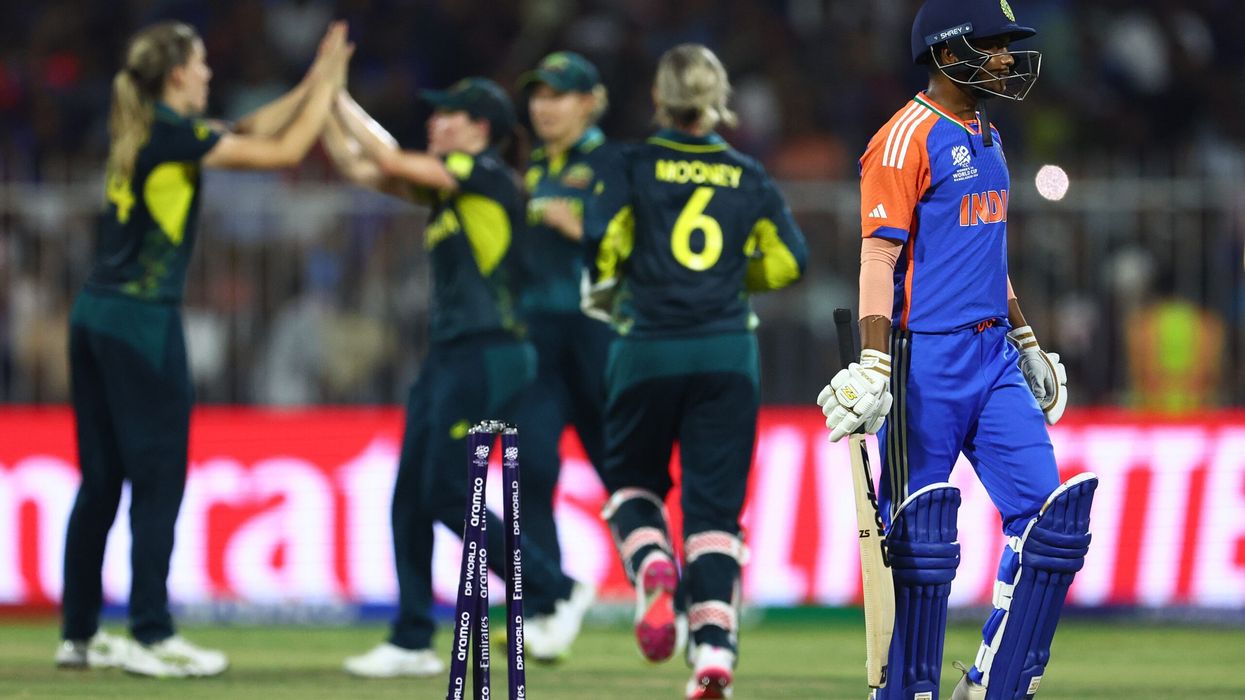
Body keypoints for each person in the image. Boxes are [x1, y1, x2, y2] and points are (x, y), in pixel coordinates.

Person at [815, 2, 1098, 698]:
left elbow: (985, 250)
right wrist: (874, 360)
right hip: (922, 363)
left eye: (1005, 46)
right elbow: (877, 258)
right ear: (946, 52)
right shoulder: (902, 137)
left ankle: (992, 682)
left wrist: (1026, 341)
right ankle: (906, 688)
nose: (1004, 59)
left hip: (993, 357)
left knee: (1048, 526)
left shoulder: (988, 133)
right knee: (920, 542)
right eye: (992, 45)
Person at [57, 20, 352, 678]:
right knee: (158, 480)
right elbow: (280, 155)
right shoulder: (167, 136)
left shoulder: (146, 131)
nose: (211, 73)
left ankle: (77, 634)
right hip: (141, 319)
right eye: (202, 64)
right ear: (177, 75)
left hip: (95, 313)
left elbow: (245, 132)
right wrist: (328, 87)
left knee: (101, 480)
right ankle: (151, 634)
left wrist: (307, 85)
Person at [320, 78, 593, 677]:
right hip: (449, 355)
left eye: (449, 114)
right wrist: (325, 107)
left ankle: (556, 588)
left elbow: (386, 157)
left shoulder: (488, 176)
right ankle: (411, 637)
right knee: (410, 497)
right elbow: (361, 167)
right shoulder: (451, 193)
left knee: (445, 491)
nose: (436, 122)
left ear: (481, 130)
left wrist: (337, 97)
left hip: (488, 353)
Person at [583, 44, 808, 700]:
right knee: (713, 515)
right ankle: (712, 653)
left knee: (631, 486)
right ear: (718, 97)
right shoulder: (747, 174)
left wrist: (629, 279)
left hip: (646, 346)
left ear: (659, 97)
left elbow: (603, 242)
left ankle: (653, 566)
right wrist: (734, 279)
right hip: (725, 354)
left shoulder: (627, 163)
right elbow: (789, 261)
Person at [513, 51, 614, 586]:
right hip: (536, 337)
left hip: (592, 333)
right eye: (538, 95)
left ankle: (678, 592)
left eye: (558, 95)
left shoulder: (610, 165)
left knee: (621, 474)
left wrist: (570, 221)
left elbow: (630, 238)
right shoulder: (532, 167)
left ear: (590, 102)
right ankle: (548, 598)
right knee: (530, 466)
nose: (544, 107)